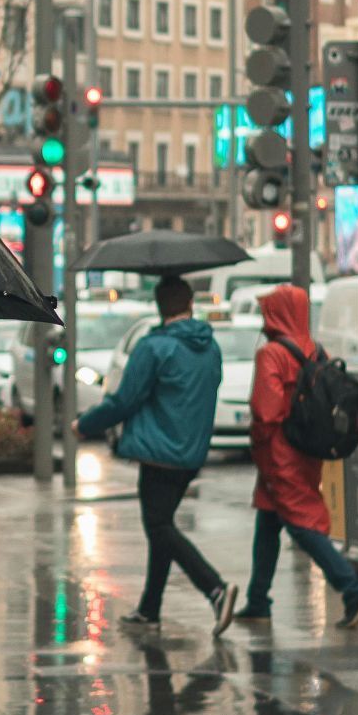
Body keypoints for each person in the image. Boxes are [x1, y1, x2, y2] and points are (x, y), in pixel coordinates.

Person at [77, 274, 236, 639]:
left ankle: (215, 588)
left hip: (158, 453)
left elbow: (125, 399)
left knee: (160, 527)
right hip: (192, 452)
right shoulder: (210, 346)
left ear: (158, 306)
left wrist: (84, 425)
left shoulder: (153, 347)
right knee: (160, 526)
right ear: (190, 303)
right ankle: (150, 608)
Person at [233, 284, 358, 634]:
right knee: (268, 520)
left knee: (300, 523)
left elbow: (266, 411)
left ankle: (352, 589)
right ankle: (257, 600)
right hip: (305, 450)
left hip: (278, 452)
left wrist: (258, 442)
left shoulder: (272, 353)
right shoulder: (315, 349)